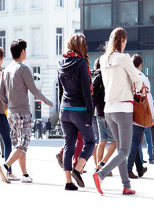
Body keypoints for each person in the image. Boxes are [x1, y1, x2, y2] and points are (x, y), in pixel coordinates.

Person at [93, 27, 143, 195]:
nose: (125, 45)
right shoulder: (124, 58)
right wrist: (140, 87)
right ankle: (101, 174)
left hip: (109, 110)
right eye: (125, 42)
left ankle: (126, 185)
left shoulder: (103, 59)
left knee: (121, 149)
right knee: (125, 150)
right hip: (123, 108)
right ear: (122, 41)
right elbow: (137, 79)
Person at [0, 39, 54, 184]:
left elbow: (0, 93)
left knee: (19, 144)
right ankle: (6, 166)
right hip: (23, 112)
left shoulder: (6, 70)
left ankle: (25, 174)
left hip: (11, 113)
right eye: (25, 50)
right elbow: (34, 91)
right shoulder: (23, 69)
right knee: (23, 144)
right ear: (22, 51)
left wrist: (8, 104)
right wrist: (48, 102)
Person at [57, 34, 96, 191]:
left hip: (64, 110)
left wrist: (62, 109)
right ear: (82, 46)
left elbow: (60, 91)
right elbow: (87, 93)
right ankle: (78, 169)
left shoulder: (60, 63)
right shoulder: (81, 64)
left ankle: (68, 182)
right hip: (79, 109)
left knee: (68, 146)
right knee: (91, 142)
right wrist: (90, 114)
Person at [126, 55, 152, 179]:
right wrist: (152, 115)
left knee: (134, 141)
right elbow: (149, 98)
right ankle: (128, 168)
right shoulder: (142, 77)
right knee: (136, 140)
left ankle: (140, 168)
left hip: (127, 111)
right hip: (139, 112)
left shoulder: (127, 76)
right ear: (140, 65)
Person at [92, 58, 117, 174]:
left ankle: (98, 167)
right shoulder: (105, 76)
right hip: (106, 112)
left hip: (97, 112)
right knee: (115, 141)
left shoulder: (93, 76)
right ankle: (102, 165)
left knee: (102, 141)